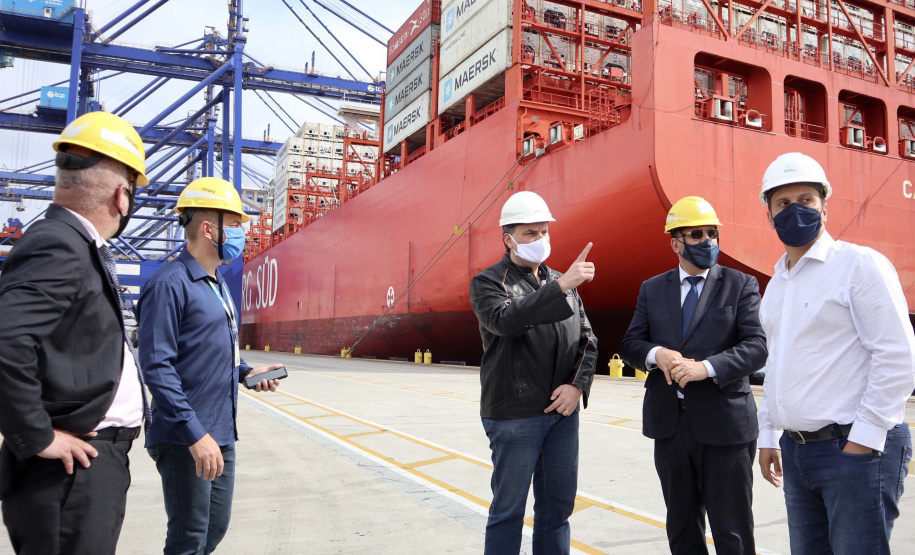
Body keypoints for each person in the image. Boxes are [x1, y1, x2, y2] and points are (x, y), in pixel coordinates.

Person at [0, 112, 150, 554]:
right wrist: (37, 435)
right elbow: (6, 341)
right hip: (69, 474)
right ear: (122, 196)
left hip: (84, 468)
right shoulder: (59, 243)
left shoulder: (71, 244)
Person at [756, 153, 915, 554]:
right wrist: (769, 433)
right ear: (769, 215)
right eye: (783, 203)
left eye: (806, 200)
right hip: (797, 451)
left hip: (853, 448)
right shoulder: (777, 285)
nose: (795, 210)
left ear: (825, 206)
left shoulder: (859, 265)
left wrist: (863, 441)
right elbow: (776, 363)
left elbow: (897, 356)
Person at [138, 177, 283, 555]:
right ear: (207, 228)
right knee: (188, 540)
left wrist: (246, 372)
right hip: (185, 436)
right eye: (234, 224)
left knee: (213, 531)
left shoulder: (216, 284)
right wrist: (194, 434)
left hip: (221, 431)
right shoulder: (170, 284)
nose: (241, 233)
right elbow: (156, 366)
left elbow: (219, 349)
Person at [619, 196, 767, 554]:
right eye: (697, 235)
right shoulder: (652, 288)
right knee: (682, 527)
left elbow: (757, 346)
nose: (708, 241)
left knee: (732, 530)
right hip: (671, 426)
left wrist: (706, 368)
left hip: (725, 426)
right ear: (676, 243)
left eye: (712, 233)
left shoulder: (741, 284)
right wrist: (656, 354)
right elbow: (630, 344)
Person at [469, 191, 598, 555]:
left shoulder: (559, 281)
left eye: (544, 231)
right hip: (515, 415)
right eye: (530, 233)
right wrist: (562, 286)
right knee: (508, 512)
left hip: (562, 414)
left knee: (557, 510)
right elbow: (506, 321)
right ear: (508, 239)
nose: (540, 239)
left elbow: (587, 340)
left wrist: (576, 387)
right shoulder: (488, 283)